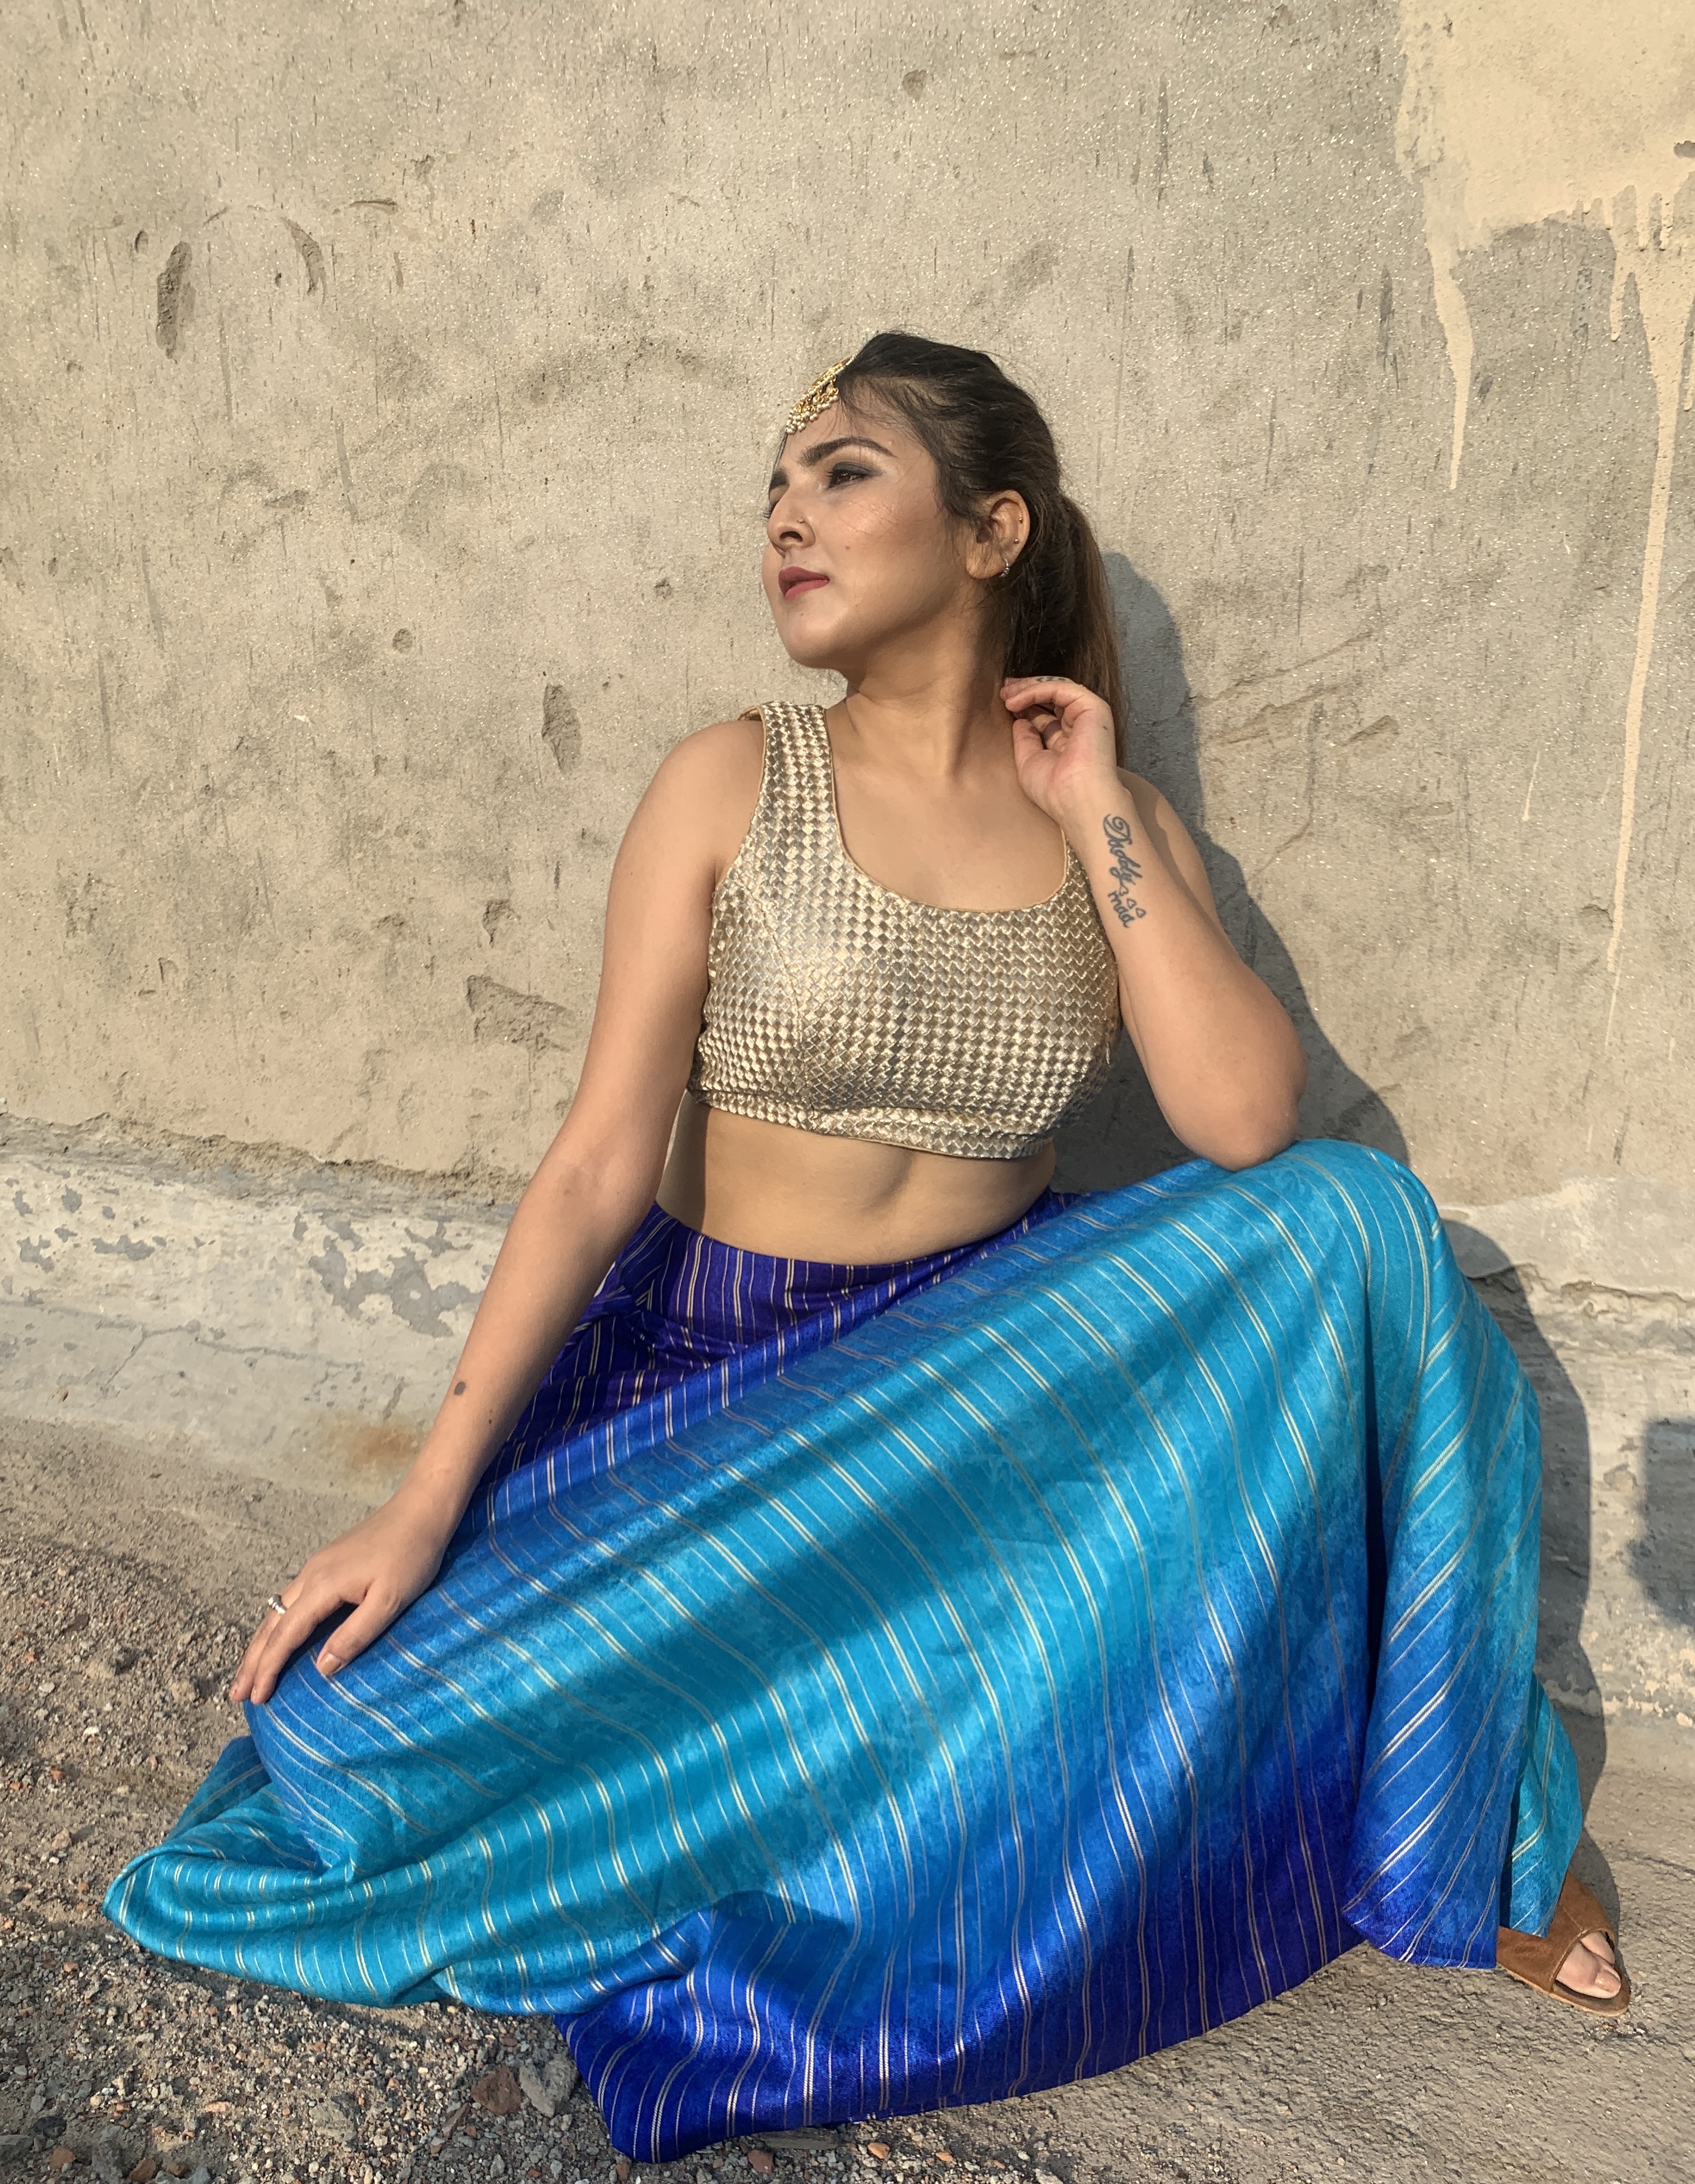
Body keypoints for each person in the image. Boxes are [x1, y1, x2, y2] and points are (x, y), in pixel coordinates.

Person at [106, 333, 1625, 2161]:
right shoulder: (729, 782)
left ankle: (1462, 1824)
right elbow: (594, 1169)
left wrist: (1096, 803)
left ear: (991, 529)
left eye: (842, 474)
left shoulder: (1108, 820)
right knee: (359, 1744)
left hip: (976, 1398)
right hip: (713, 1391)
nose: (787, 517)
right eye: (778, 484)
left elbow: (1245, 1120)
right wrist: (423, 1504)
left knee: (1355, 1221)